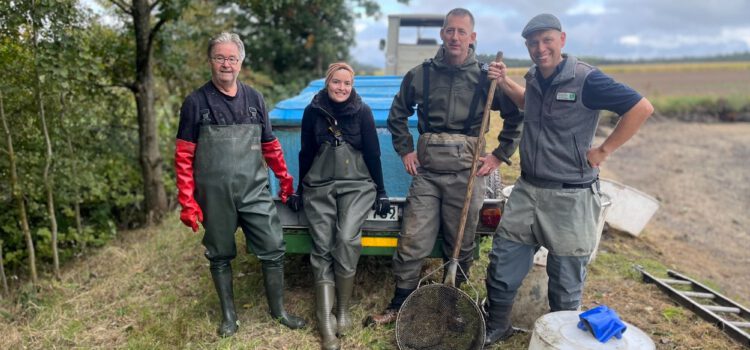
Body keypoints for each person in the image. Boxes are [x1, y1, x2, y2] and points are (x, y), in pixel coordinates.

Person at [483, 14, 654, 346]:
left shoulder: (586, 80)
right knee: (503, 262)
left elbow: (641, 108)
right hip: (528, 190)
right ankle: (498, 325)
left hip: (571, 197)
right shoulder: (534, 78)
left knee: (565, 280)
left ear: (562, 39)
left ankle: (562, 340)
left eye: (547, 40)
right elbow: (527, 104)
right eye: (533, 43)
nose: (540, 48)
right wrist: (504, 81)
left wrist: (603, 150)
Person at [366, 8, 524, 326]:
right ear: (442, 33)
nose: (455, 37)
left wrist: (498, 155)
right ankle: (400, 302)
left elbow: (516, 115)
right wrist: (406, 151)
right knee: (412, 238)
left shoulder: (485, 77)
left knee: (461, 242)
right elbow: (398, 113)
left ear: (472, 37)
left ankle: (453, 303)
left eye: (461, 32)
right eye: (450, 30)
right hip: (427, 174)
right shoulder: (421, 74)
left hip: (467, 176)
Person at [174, 32, 305, 337]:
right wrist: (187, 201)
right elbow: (183, 156)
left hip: (254, 190)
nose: (226, 64)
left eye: (232, 58)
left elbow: (270, 145)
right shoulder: (195, 102)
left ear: (240, 63)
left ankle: (279, 311)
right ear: (210, 61)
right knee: (219, 253)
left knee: (273, 246)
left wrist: (285, 180)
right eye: (220, 57)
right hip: (214, 194)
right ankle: (229, 317)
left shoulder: (255, 99)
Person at [286, 62, 389, 349]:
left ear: (352, 85)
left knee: (345, 238)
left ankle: (342, 309)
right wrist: (299, 189)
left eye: (347, 83)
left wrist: (380, 190)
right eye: (336, 82)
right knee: (321, 245)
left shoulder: (363, 112)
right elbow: (306, 152)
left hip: (357, 186)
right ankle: (325, 322)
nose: (342, 88)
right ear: (327, 82)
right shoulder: (312, 112)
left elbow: (373, 153)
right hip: (318, 187)